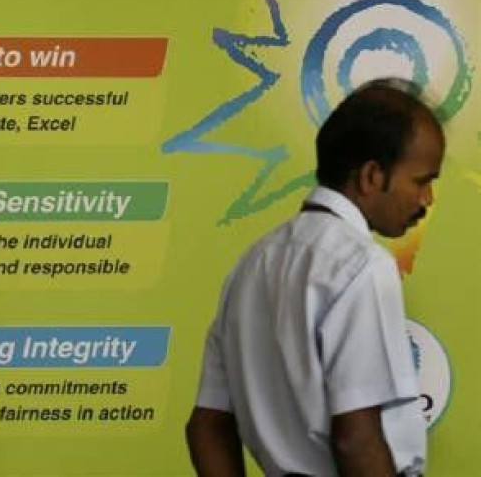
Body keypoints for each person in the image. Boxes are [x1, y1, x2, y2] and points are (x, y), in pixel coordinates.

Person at [186, 79, 445, 477]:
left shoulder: (251, 264)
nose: (426, 199)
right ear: (372, 176)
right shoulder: (363, 265)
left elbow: (207, 425)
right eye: (422, 180)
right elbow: (355, 439)